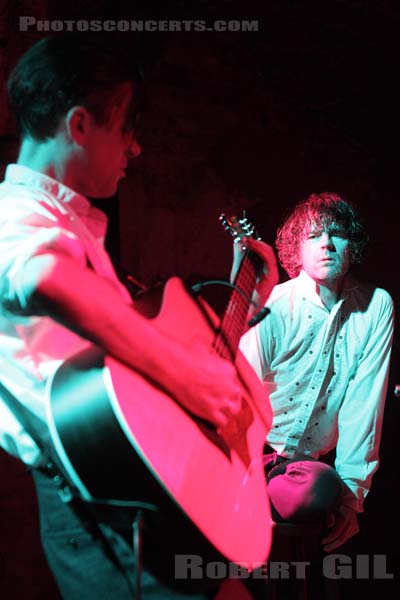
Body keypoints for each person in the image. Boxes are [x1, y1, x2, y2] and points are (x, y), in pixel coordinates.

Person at [0, 34, 277, 599]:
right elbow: (37, 277)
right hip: (103, 515)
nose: (136, 149)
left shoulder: (75, 229)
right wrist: (187, 375)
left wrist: (240, 313)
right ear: (79, 127)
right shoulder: (15, 218)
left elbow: (129, 383)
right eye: (127, 129)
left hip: (156, 487)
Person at [239, 192, 394, 554]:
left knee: (320, 488)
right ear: (297, 250)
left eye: (337, 234)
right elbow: (237, 392)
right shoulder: (275, 305)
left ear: (352, 246)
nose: (326, 244)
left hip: (304, 475)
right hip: (249, 457)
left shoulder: (375, 308)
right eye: (313, 236)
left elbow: (364, 409)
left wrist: (349, 501)